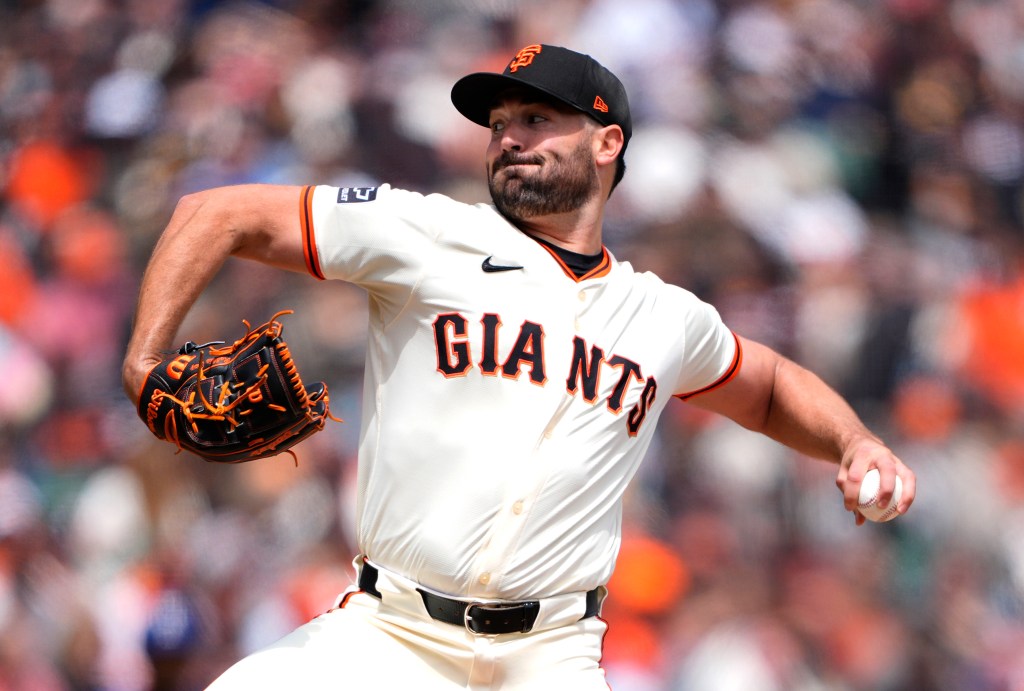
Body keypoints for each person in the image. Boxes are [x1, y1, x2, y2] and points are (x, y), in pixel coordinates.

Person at [122, 44, 916, 690]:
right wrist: (145, 359)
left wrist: (855, 443)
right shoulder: (428, 233)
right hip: (388, 637)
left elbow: (770, 384)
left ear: (608, 143)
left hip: (553, 657)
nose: (509, 137)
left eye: (538, 118)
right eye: (500, 123)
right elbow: (215, 212)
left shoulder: (662, 315)